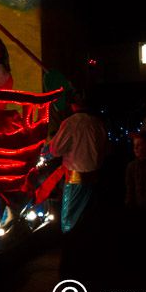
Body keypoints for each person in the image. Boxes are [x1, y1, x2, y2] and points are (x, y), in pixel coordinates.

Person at [49, 94, 107, 233]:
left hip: (75, 178)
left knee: (70, 218)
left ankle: (72, 246)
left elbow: (55, 149)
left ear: (73, 105)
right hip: (95, 177)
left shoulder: (70, 123)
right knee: (90, 216)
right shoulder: (97, 122)